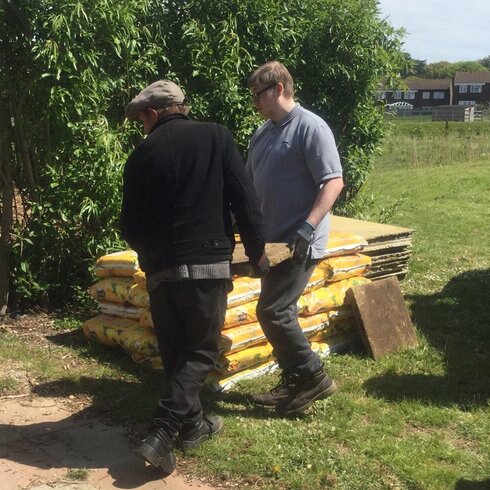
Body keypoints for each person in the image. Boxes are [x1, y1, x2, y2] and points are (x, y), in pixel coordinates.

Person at [120, 80, 268, 475]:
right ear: (181, 106)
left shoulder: (140, 156)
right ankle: (162, 432)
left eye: (142, 120)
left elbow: (129, 225)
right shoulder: (217, 137)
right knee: (201, 351)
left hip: (161, 272)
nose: (142, 127)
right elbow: (245, 200)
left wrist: (151, 256)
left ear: (153, 114)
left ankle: (195, 426)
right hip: (206, 266)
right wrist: (257, 253)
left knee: (176, 353)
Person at [245, 61, 344, 415]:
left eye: (258, 93)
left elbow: (333, 181)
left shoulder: (310, 127)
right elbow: (248, 185)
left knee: (274, 311)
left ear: (279, 89)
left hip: (299, 241)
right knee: (273, 310)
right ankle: (296, 382)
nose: (254, 100)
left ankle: (313, 377)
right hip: (272, 243)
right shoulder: (263, 133)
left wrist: (308, 225)